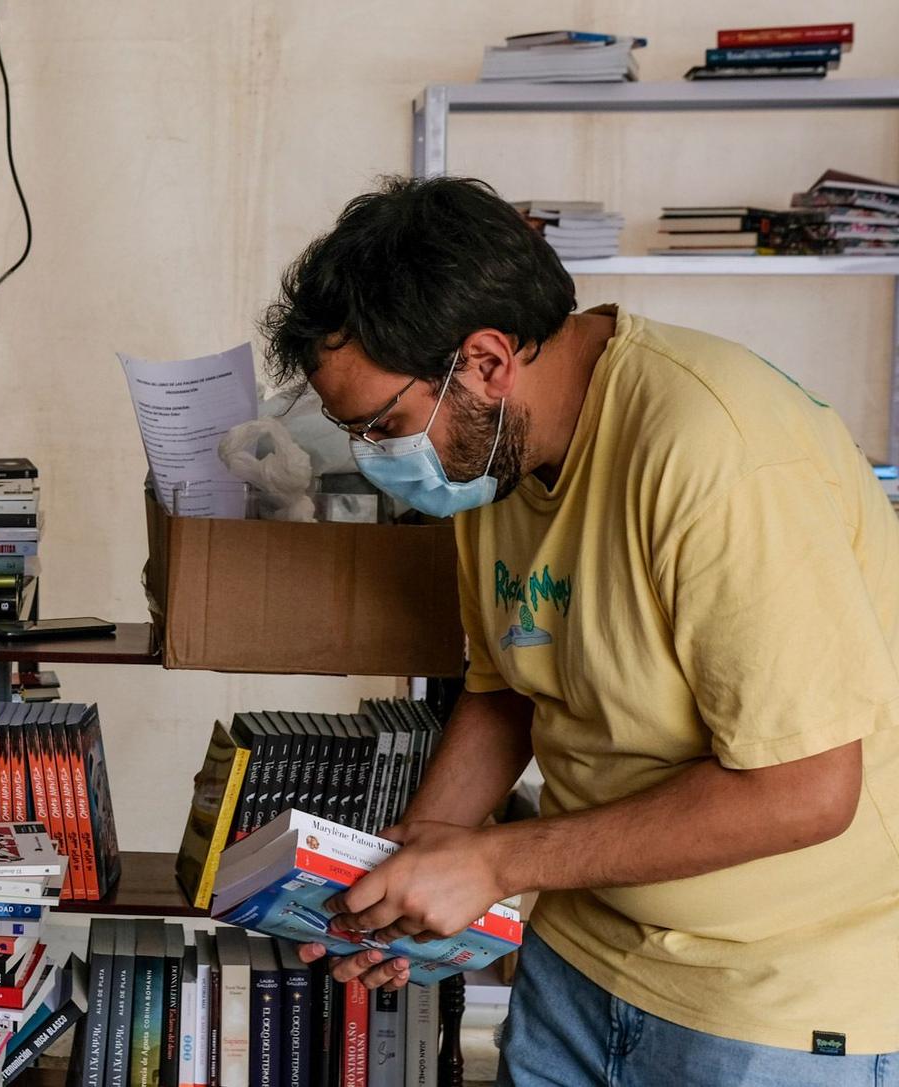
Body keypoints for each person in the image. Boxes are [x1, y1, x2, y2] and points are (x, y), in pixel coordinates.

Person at [261, 176, 899, 1085]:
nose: (374, 458)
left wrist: (493, 859)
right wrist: (423, 858)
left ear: (485, 361)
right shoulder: (497, 454)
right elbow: (505, 690)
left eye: (385, 425)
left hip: (769, 998)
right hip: (580, 960)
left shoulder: (718, 450)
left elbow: (806, 790)